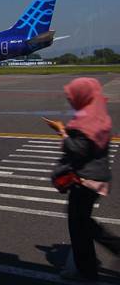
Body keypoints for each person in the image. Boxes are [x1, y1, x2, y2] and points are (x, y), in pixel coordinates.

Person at [48, 77, 120, 281]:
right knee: (83, 225)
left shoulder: (86, 121)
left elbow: (78, 149)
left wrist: (62, 131)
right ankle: (86, 269)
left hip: (85, 181)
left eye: (73, 97)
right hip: (96, 179)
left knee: (81, 227)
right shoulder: (97, 115)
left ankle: (88, 270)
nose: (70, 101)